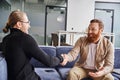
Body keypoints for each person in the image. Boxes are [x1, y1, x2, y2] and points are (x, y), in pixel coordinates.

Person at [0, 10, 64, 80]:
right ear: (19, 24)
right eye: (27, 22)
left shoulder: (5, 40)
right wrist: (61, 58)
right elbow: (49, 62)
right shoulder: (25, 39)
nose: (29, 26)